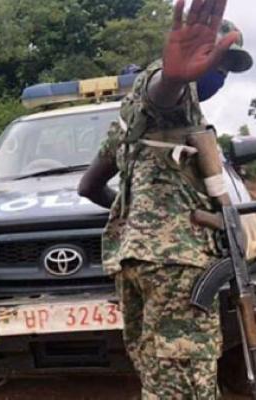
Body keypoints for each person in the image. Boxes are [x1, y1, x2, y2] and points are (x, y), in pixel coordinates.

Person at [79, 0, 252, 398]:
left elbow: (88, 187)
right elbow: (163, 94)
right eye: (217, 61)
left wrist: (142, 220)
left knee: (158, 372)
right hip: (179, 267)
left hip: (136, 262)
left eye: (226, 68)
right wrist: (174, 77)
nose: (219, 74)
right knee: (186, 380)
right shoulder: (168, 97)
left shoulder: (126, 123)